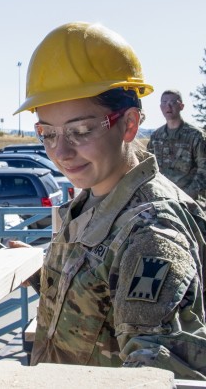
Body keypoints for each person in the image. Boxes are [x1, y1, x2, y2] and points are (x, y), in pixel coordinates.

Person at [11, 22, 206, 379]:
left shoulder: (151, 234)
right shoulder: (93, 200)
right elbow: (102, 297)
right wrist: (46, 277)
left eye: (80, 130)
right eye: (47, 133)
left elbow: (156, 372)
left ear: (129, 124)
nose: (61, 152)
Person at [147, 90, 206, 210]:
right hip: (162, 199)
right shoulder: (155, 137)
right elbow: (149, 169)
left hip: (191, 202)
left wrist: (185, 196)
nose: (168, 106)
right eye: (164, 102)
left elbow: (203, 171)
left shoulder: (195, 136)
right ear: (160, 107)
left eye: (172, 102)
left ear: (181, 106)